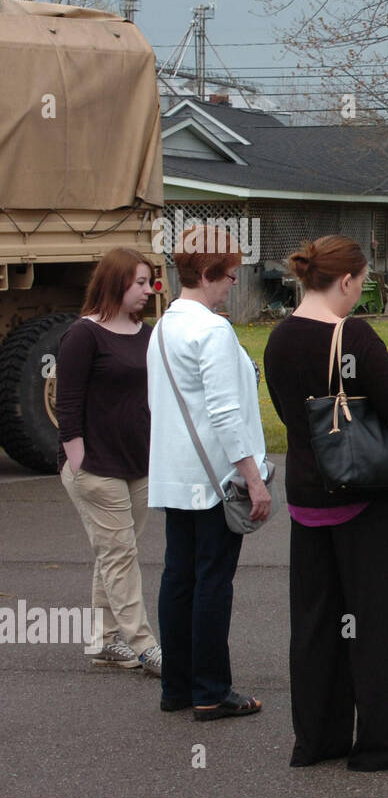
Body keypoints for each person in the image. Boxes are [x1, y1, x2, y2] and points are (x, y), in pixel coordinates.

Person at [263, 235, 388, 771]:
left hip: (307, 496)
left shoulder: (278, 339)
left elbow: (291, 415)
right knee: (371, 624)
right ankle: (379, 745)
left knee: (315, 625)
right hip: (361, 497)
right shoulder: (353, 335)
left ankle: (318, 739)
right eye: (362, 280)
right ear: (348, 281)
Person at [147, 225, 270, 720]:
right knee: (213, 583)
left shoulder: (163, 326)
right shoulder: (213, 330)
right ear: (206, 273)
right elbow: (224, 413)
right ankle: (211, 690)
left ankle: (177, 686)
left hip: (175, 473)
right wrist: (254, 478)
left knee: (179, 579)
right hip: (216, 477)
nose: (232, 284)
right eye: (228, 275)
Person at [57, 248, 162, 674]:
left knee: (117, 551)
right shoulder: (83, 335)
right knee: (119, 555)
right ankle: (144, 644)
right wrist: (79, 462)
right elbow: (67, 405)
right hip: (97, 468)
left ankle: (102, 639)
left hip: (138, 463)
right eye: (139, 282)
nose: (148, 290)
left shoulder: (147, 332)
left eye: (150, 281)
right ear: (115, 282)